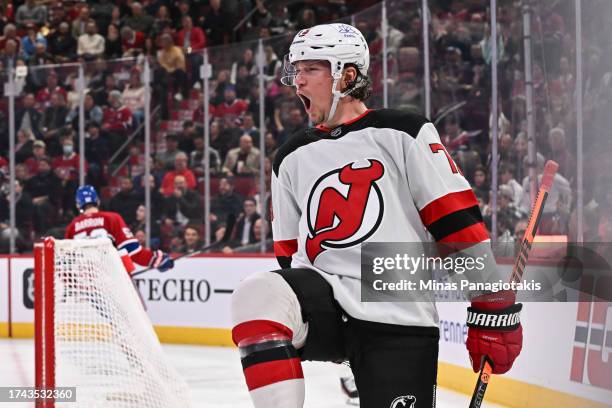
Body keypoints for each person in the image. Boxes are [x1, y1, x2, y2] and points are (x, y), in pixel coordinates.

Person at [230, 23, 522, 408]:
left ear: (347, 76)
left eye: (310, 69)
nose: (296, 82)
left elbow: (456, 222)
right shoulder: (289, 156)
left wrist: (490, 303)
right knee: (259, 292)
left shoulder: (403, 131)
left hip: (397, 312)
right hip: (327, 305)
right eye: (295, 70)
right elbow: (288, 254)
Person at [65, 185, 173, 273]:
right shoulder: (111, 218)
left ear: (78, 205)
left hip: (83, 286)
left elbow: (67, 263)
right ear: (98, 201)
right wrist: (158, 259)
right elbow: (133, 251)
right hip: (108, 282)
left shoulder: (72, 227)